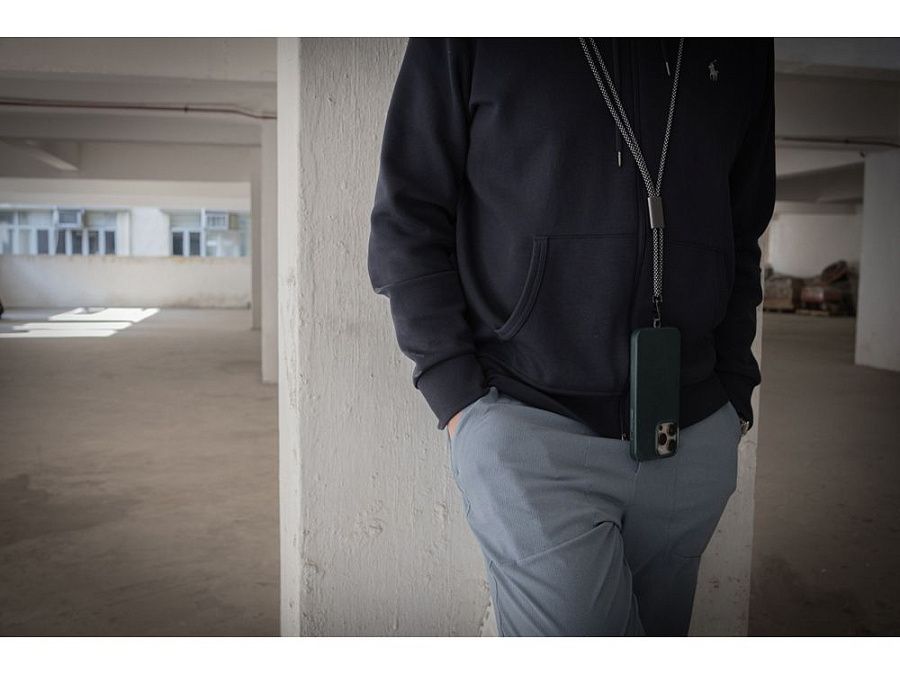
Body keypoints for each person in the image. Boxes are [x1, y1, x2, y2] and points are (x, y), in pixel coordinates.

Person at [367, 37, 775, 636]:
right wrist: (458, 398)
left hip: (689, 432)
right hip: (532, 423)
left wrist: (734, 393)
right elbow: (409, 214)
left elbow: (742, 232)